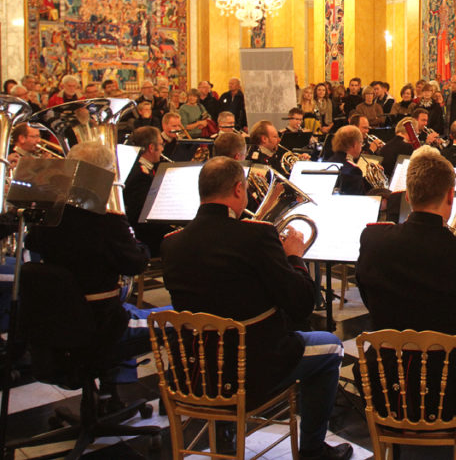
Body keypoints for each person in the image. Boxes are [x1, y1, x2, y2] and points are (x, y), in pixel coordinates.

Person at [161, 158, 349, 459]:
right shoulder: (256, 236)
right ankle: (313, 448)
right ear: (238, 189)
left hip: (197, 371)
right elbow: (301, 305)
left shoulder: (171, 243)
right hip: (251, 371)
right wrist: (294, 258)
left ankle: (222, 429)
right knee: (332, 348)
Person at [355, 146, 456, 459]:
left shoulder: (373, 239)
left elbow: (367, 296)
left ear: (409, 196)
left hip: (384, 381)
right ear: (451, 197)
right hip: (449, 389)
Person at [25, 141, 165, 382]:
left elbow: (34, 246)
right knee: (181, 319)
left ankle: (111, 391)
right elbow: (136, 265)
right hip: (101, 323)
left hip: (57, 322)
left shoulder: (47, 217)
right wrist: (137, 243)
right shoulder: (106, 222)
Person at [123, 126, 175, 256]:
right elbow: (143, 216)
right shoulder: (140, 175)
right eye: (161, 145)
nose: (162, 149)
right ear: (151, 148)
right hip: (145, 234)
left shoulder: (139, 166)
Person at [330, 125, 368, 195]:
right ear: (354, 144)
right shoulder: (354, 171)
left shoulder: (328, 162)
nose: (361, 147)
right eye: (361, 142)